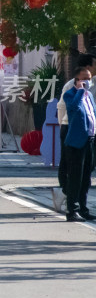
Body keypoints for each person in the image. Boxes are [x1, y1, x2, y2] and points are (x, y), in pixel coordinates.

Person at [56, 54, 96, 209]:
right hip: (73, 132)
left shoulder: (90, 94)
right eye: (84, 78)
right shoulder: (71, 90)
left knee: (87, 172)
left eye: (89, 78)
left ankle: (83, 206)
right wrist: (64, 127)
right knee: (73, 170)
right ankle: (71, 204)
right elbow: (69, 107)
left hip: (89, 136)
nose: (87, 81)